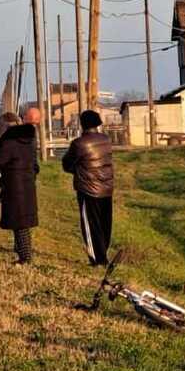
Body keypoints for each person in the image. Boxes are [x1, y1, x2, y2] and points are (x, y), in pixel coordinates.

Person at [62, 109, 114, 266]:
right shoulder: (106, 140)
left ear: (82, 124)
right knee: (105, 223)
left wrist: (77, 171)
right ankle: (103, 252)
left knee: (91, 225)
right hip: (107, 187)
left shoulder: (79, 143)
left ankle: (98, 259)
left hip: (88, 188)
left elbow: (66, 164)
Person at [0, 112, 39, 264]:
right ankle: (22, 252)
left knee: (19, 223)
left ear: (5, 126)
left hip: (13, 184)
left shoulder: (9, 142)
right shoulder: (29, 140)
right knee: (23, 222)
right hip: (27, 184)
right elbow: (35, 165)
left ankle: (25, 257)